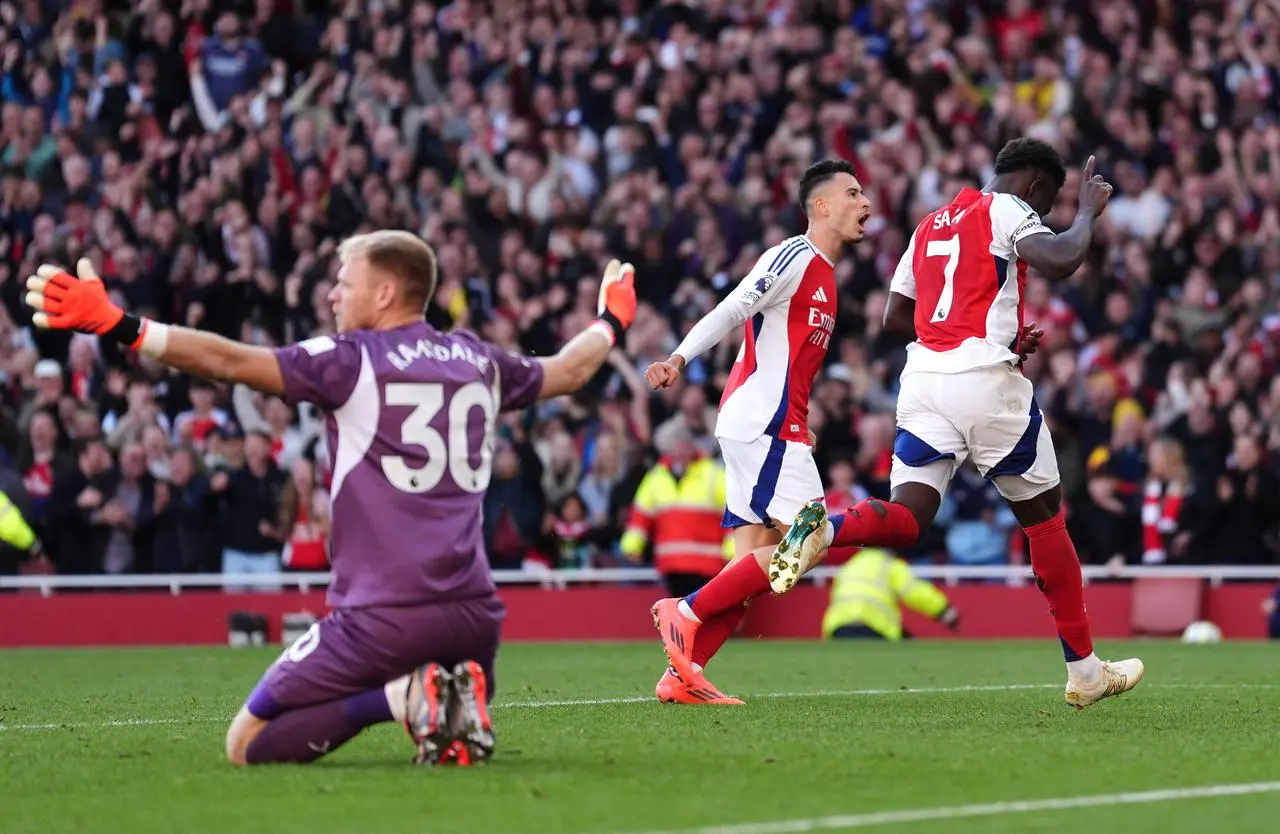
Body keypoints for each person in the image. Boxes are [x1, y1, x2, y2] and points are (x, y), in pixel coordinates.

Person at [23, 233, 638, 765]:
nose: (332, 295)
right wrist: (609, 322)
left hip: (382, 620)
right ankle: (447, 699)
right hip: (474, 621)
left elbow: (228, 360)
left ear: (386, 294)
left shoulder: (350, 360)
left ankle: (404, 697)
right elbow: (568, 370)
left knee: (246, 742)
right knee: (433, 672)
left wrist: (122, 325)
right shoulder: (478, 359)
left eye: (345, 283)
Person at [769, 139, 1144, 709]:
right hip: (985, 381)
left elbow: (898, 317)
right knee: (1045, 522)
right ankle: (1086, 671)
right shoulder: (1008, 207)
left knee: (906, 517)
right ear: (1037, 186)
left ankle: (828, 531)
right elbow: (1061, 259)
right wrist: (1088, 211)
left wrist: (993, 331)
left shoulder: (927, 226)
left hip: (922, 383)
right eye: (1049, 200)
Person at [643, 160, 871, 703]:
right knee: (810, 539)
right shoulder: (793, 256)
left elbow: (784, 361)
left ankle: (684, 674)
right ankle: (687, 610)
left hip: (771, 424)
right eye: (854, 193)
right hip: (763, 426)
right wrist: (678, 357)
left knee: (760, 568)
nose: (866, 204)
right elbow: (730, 309)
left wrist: (804, 421)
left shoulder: (828, 279)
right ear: (821, 206)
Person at [821, 548, 959, 640]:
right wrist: (943, 610)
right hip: (874, 626)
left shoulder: (850, 565)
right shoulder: (889, 564)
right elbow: (915, 591)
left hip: (838, 627)